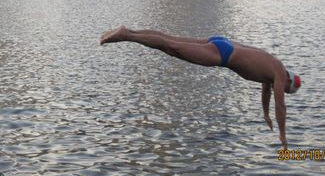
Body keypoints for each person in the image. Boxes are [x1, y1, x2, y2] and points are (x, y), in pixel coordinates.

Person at [100, 26, 301, 149]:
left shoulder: (272, 69)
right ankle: (127, 35)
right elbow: (280, 107)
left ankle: (129, 31)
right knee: (171, 47)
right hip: (223, 53)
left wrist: (265, 114)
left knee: (170, 41)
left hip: (222, 43)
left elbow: (266, 92)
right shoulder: (280, 74)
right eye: (284, 90)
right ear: (288, 82)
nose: (280, 91)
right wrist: (282, 134)